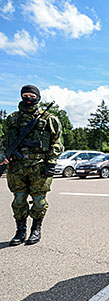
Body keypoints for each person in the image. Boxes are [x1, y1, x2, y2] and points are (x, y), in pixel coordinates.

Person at [0, 85, 63, 246]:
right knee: (19, 200)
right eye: (25, 95)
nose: (28, 99)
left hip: (39, 166)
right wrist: (3, 155)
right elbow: (4, 141)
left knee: (39, 201)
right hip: (17, 167)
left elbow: (57, 143)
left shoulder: (49, 119)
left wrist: (51, 162)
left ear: (38, 97)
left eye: (31, 96)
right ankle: (20, 231)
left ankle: (36, 229)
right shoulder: (12, 119)